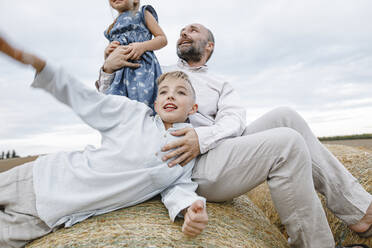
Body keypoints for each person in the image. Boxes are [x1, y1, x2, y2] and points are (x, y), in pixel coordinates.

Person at [97, 23, 372, 248]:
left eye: (192, 30)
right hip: (188, 162)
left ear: (209, 46)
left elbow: (234, 120)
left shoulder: (220, 83)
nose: (183, 33)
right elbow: (115, 104)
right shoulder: (163, 73)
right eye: (181, 31)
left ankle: (358, 211)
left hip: (216, 147)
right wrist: (108, 68)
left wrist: (203, 139)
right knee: (287, 144)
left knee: (286, 116)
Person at [0, 37, 208, 248]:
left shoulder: (187, 151)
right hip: (39, 178)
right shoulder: (131, 114)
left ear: (193, 108)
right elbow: (85, 98)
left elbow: (177, 188)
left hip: (49, 217)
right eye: (163, 92)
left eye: (180, 92)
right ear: (156, 103)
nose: (170, 96)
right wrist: (41, 66)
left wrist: (190, 209)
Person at [96, 0, 167, 111]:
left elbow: (162, 39)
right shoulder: (112, 26)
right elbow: (110, 61)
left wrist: (143, 46)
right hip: (120, 73)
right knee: (118, 105)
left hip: (142, 69)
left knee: (144, 103)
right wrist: (107, 52)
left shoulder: (142, 14)